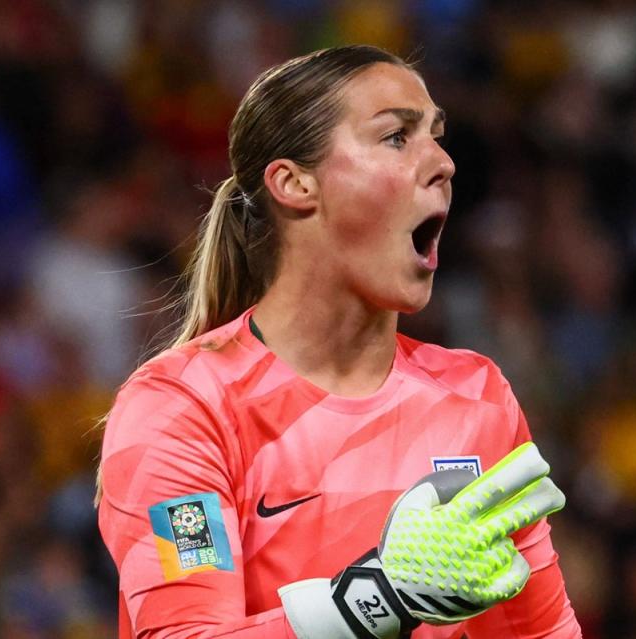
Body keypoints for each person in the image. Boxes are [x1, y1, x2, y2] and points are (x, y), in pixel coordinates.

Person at [97, 45, 581, 638]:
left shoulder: (475, 397)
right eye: (396, 138)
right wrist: (380, 597)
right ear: (296, 183)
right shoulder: (182, 407)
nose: (444, 163)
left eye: (436, 135)